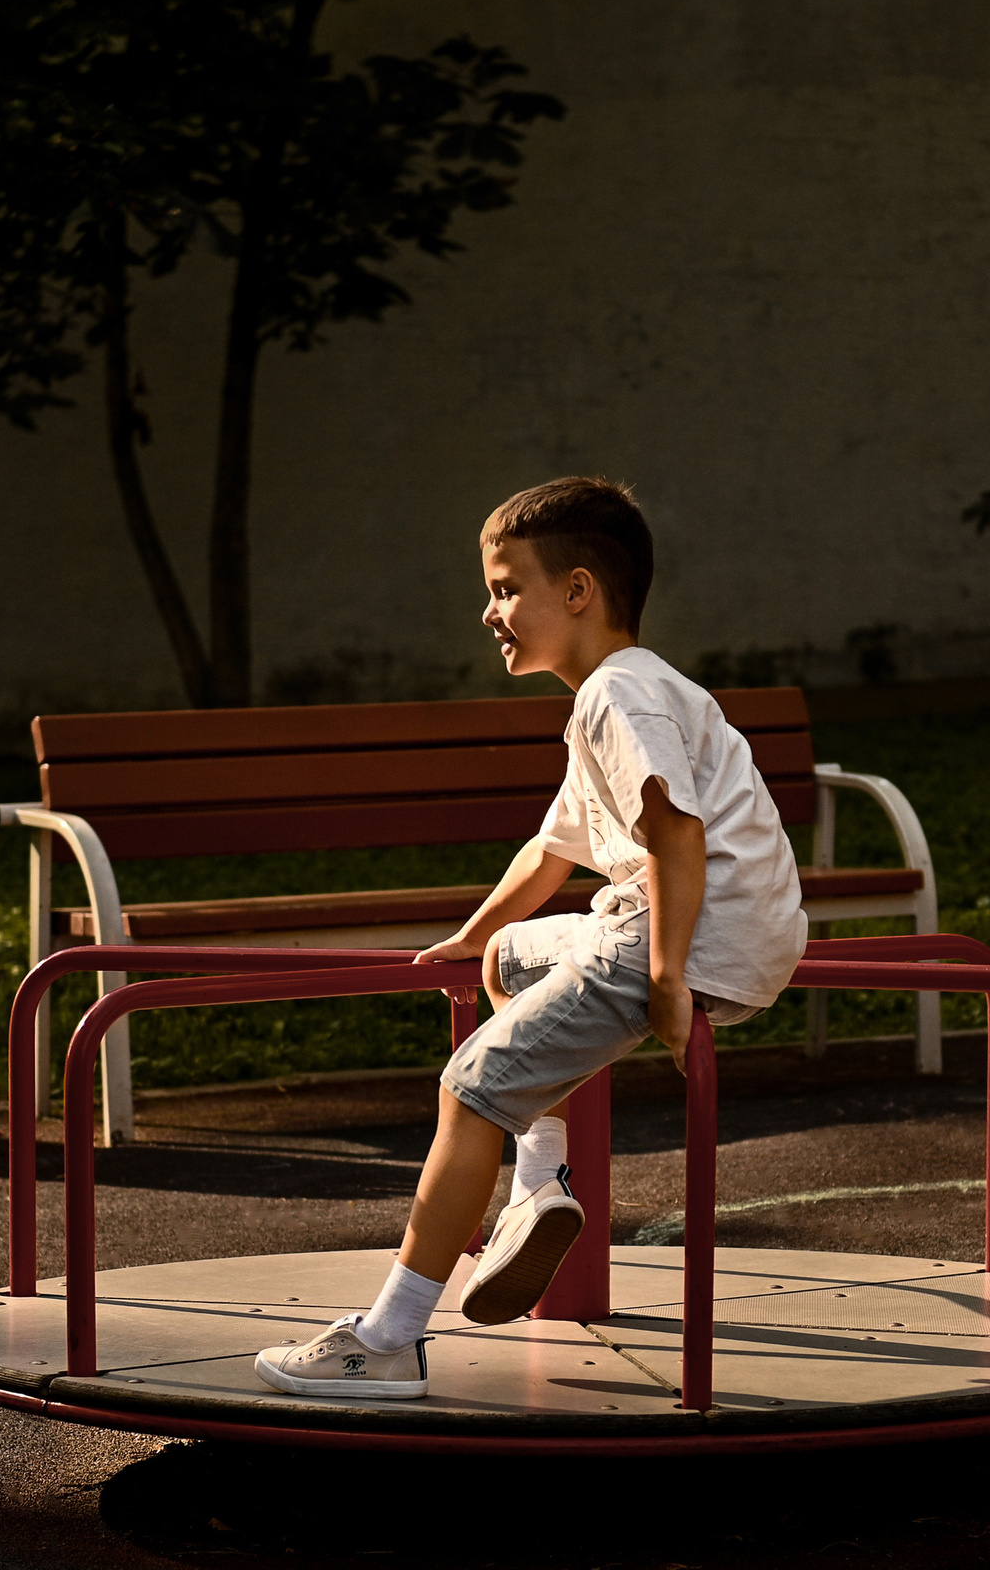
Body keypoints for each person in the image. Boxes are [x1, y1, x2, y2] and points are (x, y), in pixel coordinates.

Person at [255, 477, 809, 1397]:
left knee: (470, 1087)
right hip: (719, 930)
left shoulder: (615, 697)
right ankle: (537, 1184)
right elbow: (553, 849)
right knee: (510, 958)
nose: (490, 611)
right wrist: (471, 937)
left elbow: (675, 832)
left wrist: (669, 980)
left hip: (681, 934)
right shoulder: (635, 689)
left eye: (508, 588)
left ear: (579, 591)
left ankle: (387, 1341)